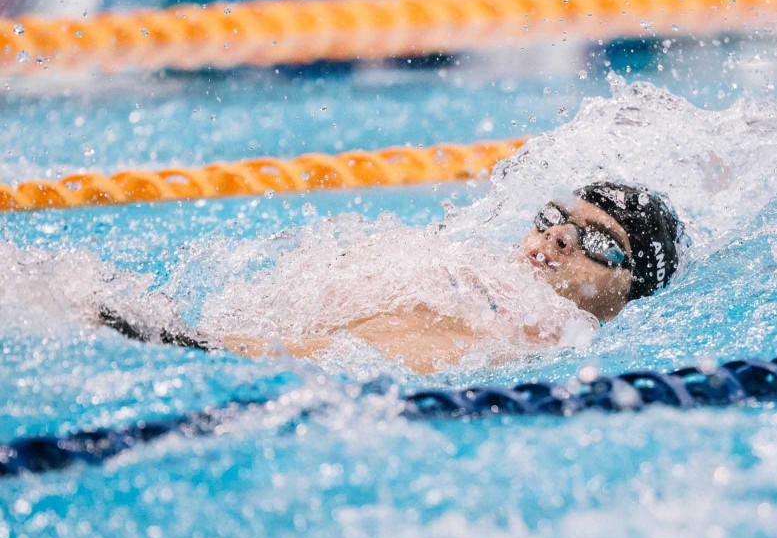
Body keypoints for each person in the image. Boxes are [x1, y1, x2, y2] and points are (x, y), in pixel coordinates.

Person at [98, 181, 685, 373]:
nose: (558, 239)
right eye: (555, 221)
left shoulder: (558, 330)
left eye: (599, 242)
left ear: (634, 289)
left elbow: (402, 344)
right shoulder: (486, 280)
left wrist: (204, 346)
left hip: (233, 354)